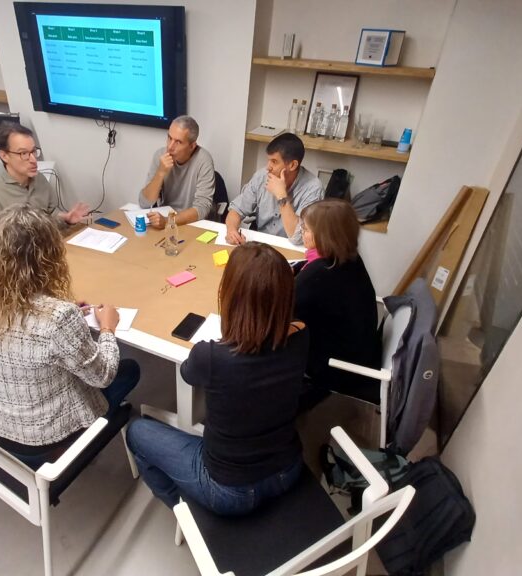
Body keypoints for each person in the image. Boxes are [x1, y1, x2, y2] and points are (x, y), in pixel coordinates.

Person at [127, 242, 308, 516]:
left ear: (230, 295)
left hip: (230, 492)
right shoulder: (301, 335)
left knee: (137, 432)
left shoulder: (211, 356)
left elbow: (187, 374)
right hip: (289, 470)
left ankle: (186, 514)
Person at [0, 204, 139, 469]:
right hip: (49, 437)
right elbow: (103, 376)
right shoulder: (57, 318)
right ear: (49, 257)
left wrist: (57, 312)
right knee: (129, 370)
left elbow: (15, 331)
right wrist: (108, 327)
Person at [294, 199, 381, 406]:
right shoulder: (349, 258)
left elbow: (282, 313)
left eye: (306, 229)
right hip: (360, 350)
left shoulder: (318, 275)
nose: (302, 233)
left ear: (324, 236)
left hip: (336, 368)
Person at [0, 122, 89, 233]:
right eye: (23, 153)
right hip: (17, 247)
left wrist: (66, 218)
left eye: (33, 151)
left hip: (46, 242)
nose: (33, 160)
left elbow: (51, 214)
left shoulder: (40, 179)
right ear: (4, 156)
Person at [225, 132, 323, 246]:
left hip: (291, 247)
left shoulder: (313, 189)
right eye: (268, 160)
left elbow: (297, 238)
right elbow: (236, 210)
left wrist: (281, 196)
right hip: (261, 245)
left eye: (274, 162)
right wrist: (231, 231)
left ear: (292, 165)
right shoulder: (262, 176)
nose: (268, 167)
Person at [138, 115, 215, 229]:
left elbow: (202, 208)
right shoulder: (160, 155)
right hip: (165, 221)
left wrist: (169, 221)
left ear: (192, 146)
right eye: (169, 138)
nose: (170, 147)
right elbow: (144, 203)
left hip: (191, 224)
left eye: (178, 142)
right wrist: (160, 173)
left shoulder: (204, 160)